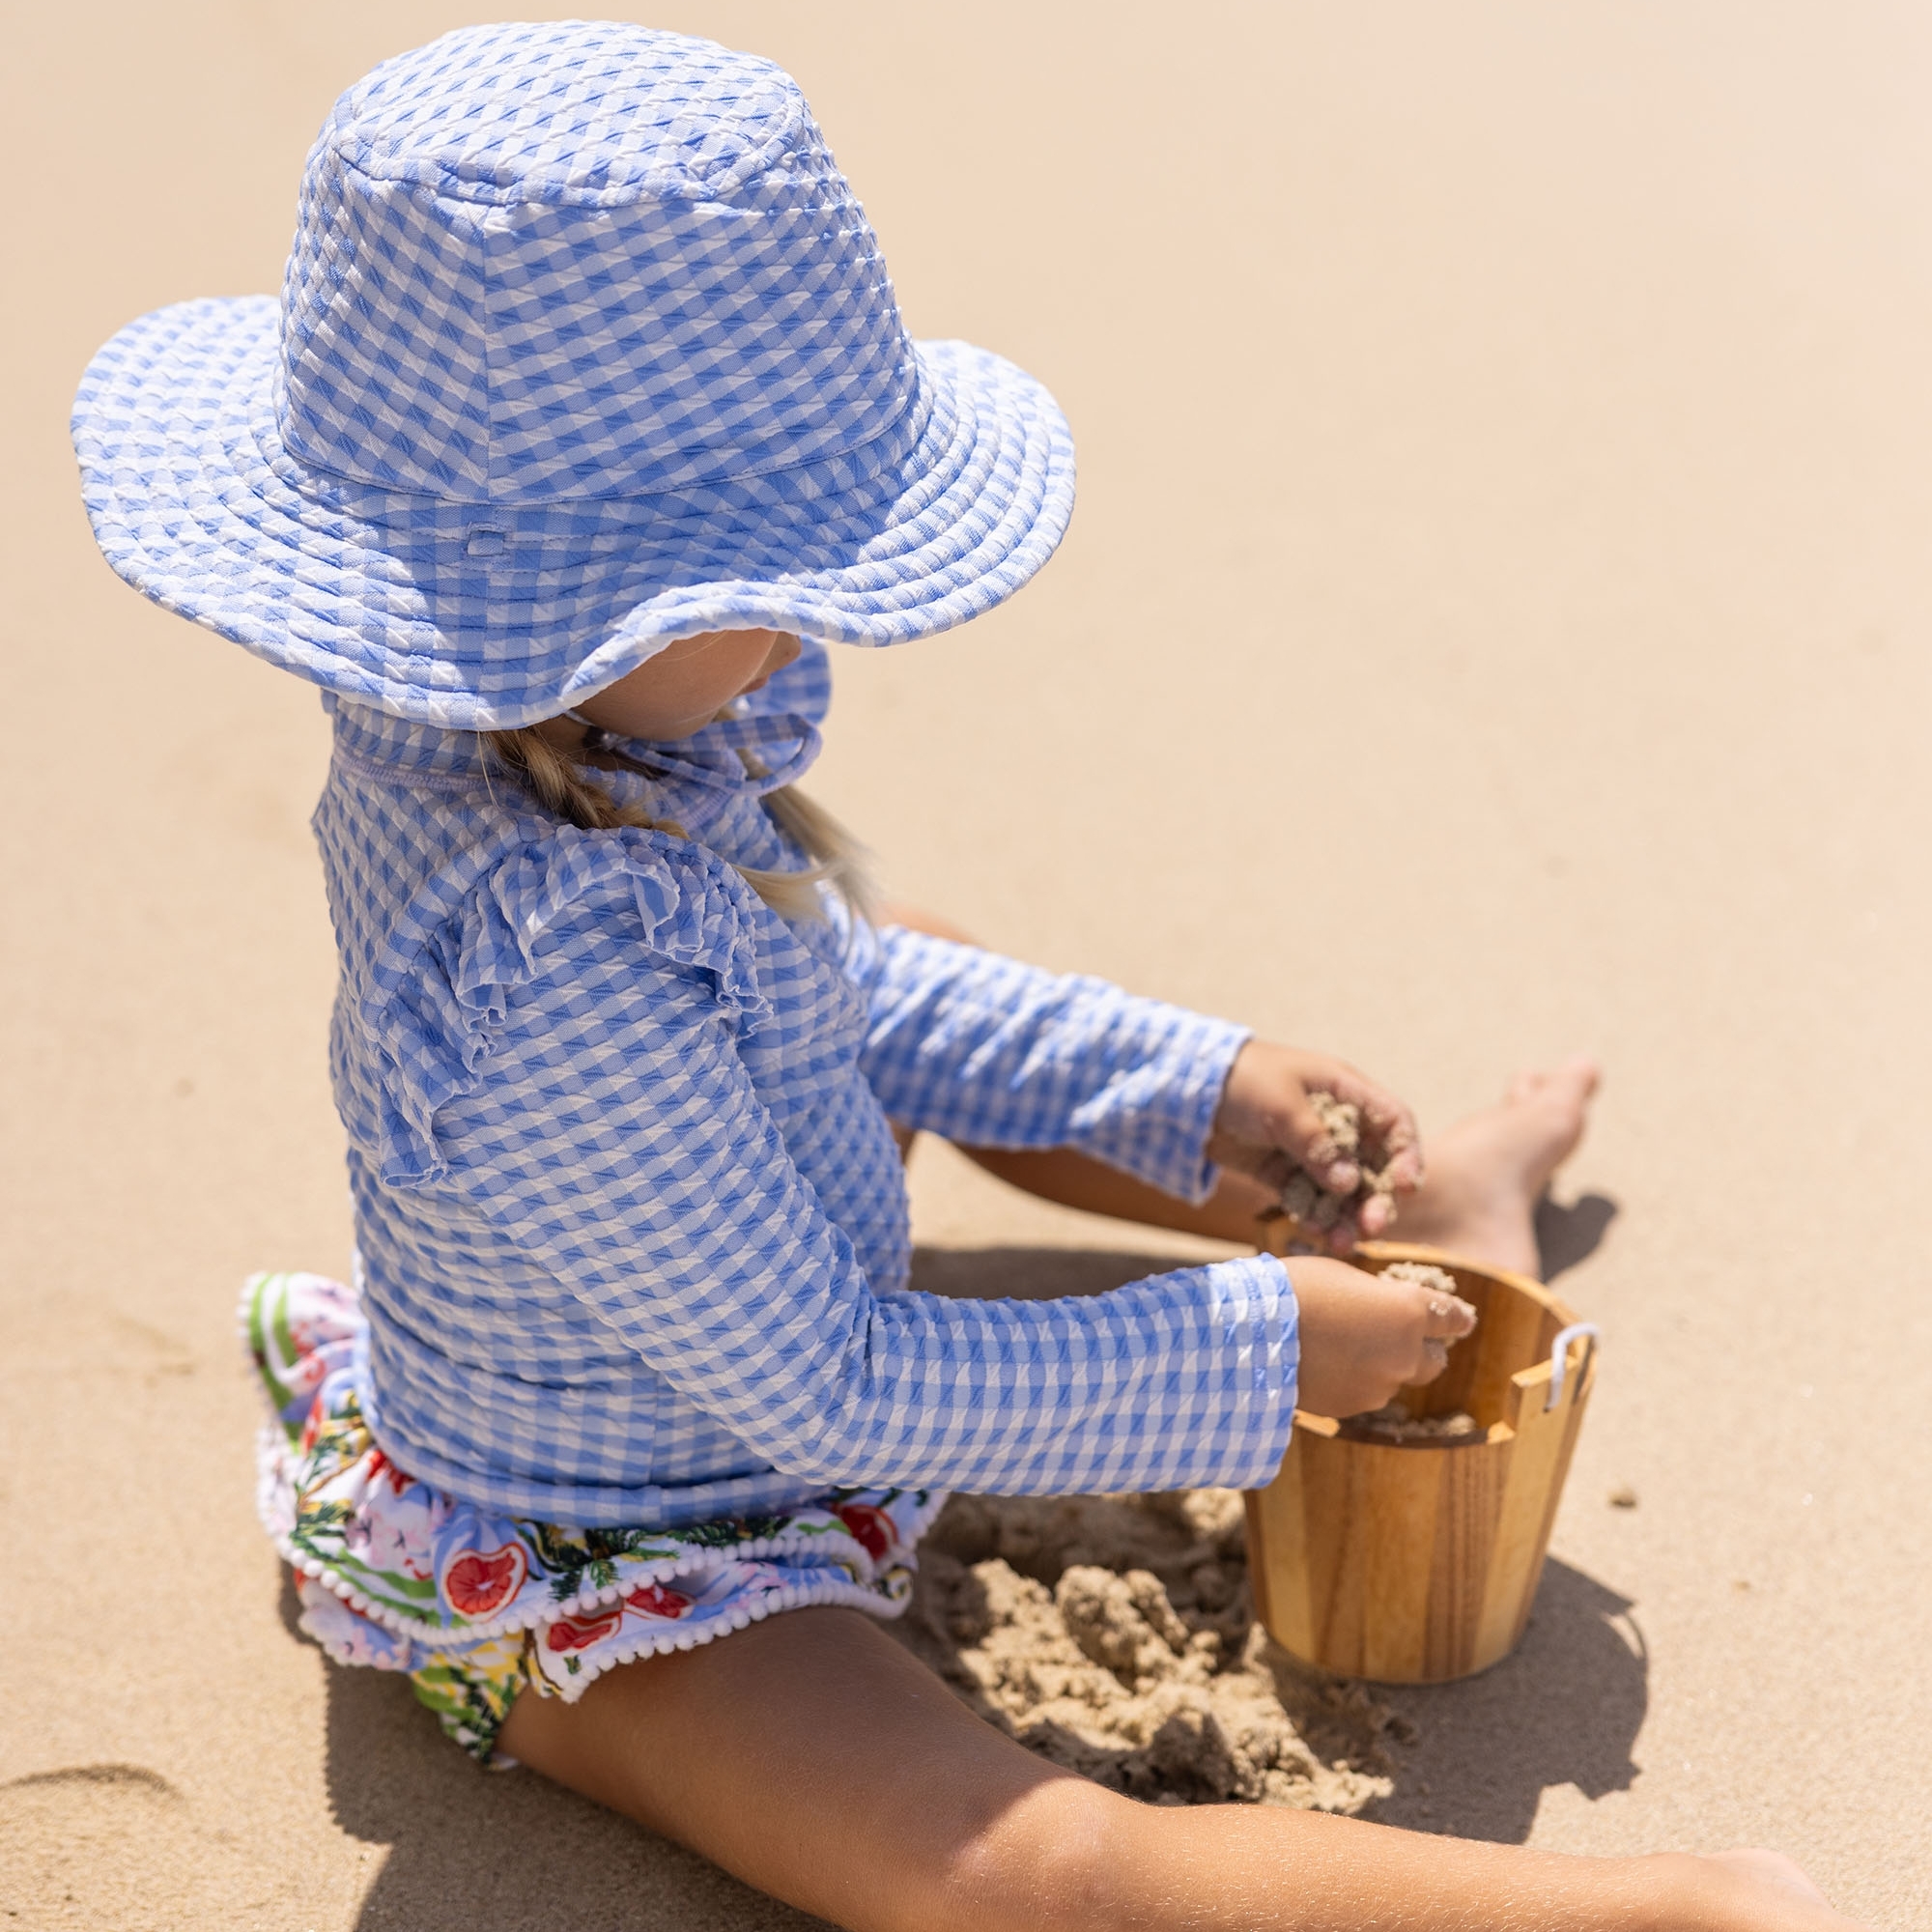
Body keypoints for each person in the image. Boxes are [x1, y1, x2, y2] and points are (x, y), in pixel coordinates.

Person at [71, 22, 1859, 1931]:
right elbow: (833, 1392)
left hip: (693, 1300)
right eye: (771, 573)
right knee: (1016, 1874)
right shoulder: (548, 983)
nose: (814, 614)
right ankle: (1692, 1909)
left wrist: (1198, 1082)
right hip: (618, 1535)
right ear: (593, 611)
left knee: (903, 969)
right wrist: (1256, 1368)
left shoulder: (523, 715)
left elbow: (849, 993)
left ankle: (1423, 1213)